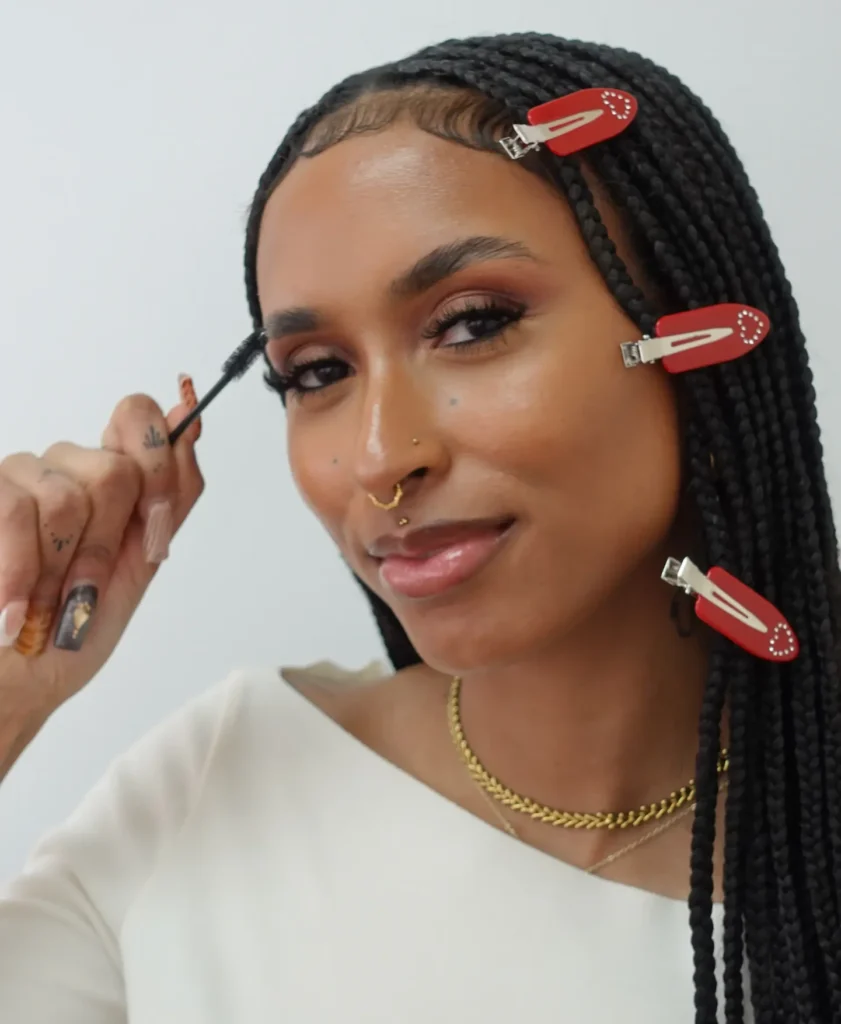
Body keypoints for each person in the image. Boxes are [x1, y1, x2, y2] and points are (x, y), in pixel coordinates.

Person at [0, 30, 837, 1024]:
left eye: (474, 322)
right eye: (316, 372)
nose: (376, 456)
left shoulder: (807, 878)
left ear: (691, 339)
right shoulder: (221, 773)